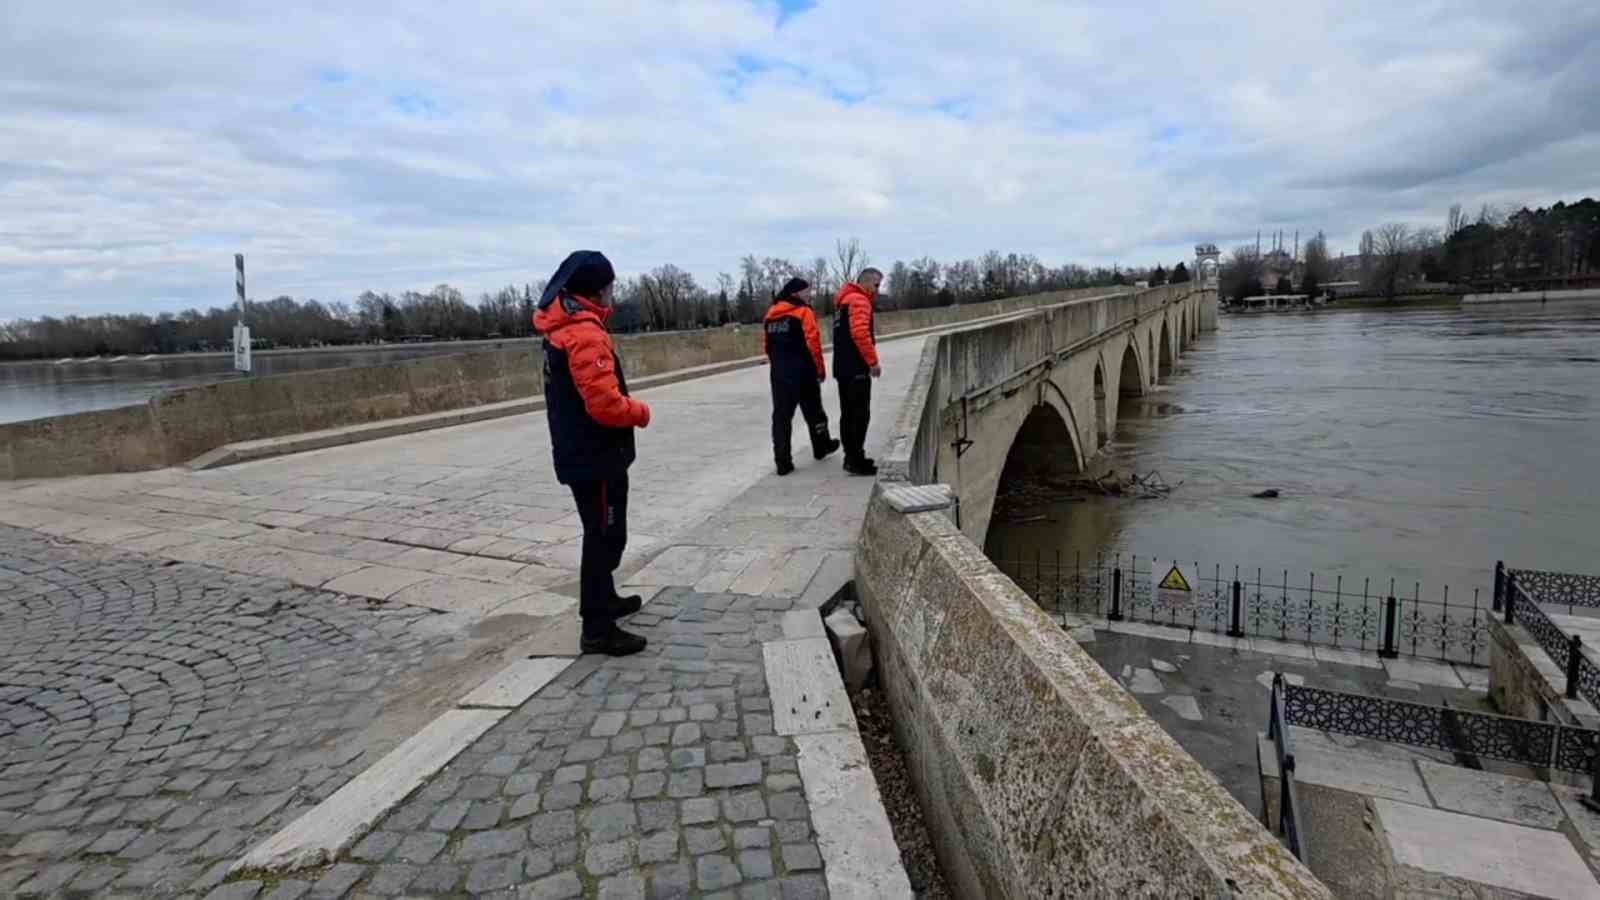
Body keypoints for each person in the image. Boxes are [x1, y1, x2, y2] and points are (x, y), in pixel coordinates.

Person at [534, 250, 651, 657]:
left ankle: (605, 599)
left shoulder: (561, 328)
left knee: (602, 533)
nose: (611, 294)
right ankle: (597, 629)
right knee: (604, 537)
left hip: (580, 452)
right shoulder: (584, 333)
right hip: (596, 456)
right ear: (596, 290)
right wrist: (640, 412)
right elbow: (604, 404)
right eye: (609, 287)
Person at [763, 277, 841, 476]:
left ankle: (783, 462)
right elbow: (812, 342)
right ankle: (821, 445)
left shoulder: (771, 314)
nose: (809, 295)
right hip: (803, 371)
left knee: (781, 417)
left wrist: (778, 365)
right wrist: (820, 370)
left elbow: (767, 345)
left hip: (779, 373)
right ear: (796, 293)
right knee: (814, 411)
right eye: (807, 292)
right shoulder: (803, 312)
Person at [832, 267, 883, 475]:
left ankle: (851, 455)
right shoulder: (859, 300)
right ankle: (855, 458)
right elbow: (860, 333)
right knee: (860, 414)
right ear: (867, 282)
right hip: (856, 368)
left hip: (842, 367)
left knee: (848, 413)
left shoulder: (842, 303)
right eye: (877, 285)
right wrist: (872, 362)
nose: (877, 290)